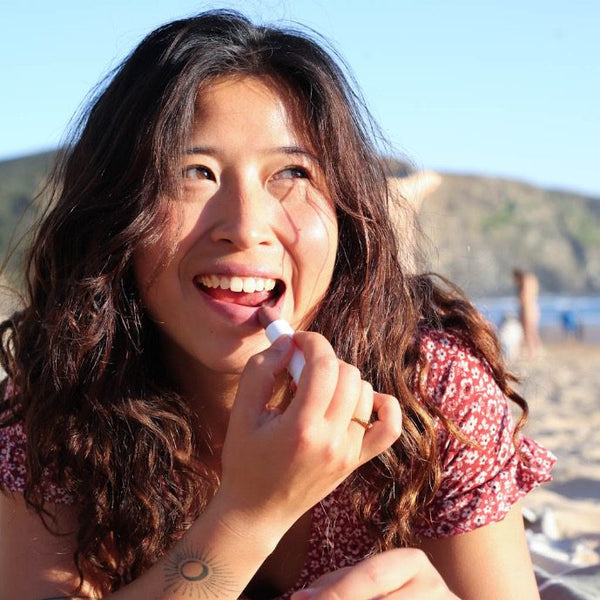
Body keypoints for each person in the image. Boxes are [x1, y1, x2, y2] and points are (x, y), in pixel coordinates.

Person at [0, 10, 554, 600]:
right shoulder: (60, 401)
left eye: (292, 172)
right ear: (117, 215)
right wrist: (248, 515)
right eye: (194, 172)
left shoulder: (428, 391)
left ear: (345, 211)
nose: (246, 227)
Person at [513, 269, 542, 357]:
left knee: (527, 331)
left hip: (527, 308)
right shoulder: (532, 280)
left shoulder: (525, 282)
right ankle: (535, 350)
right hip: (533, 307)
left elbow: (523, 297)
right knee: (533, 330)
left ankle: (531, 351)